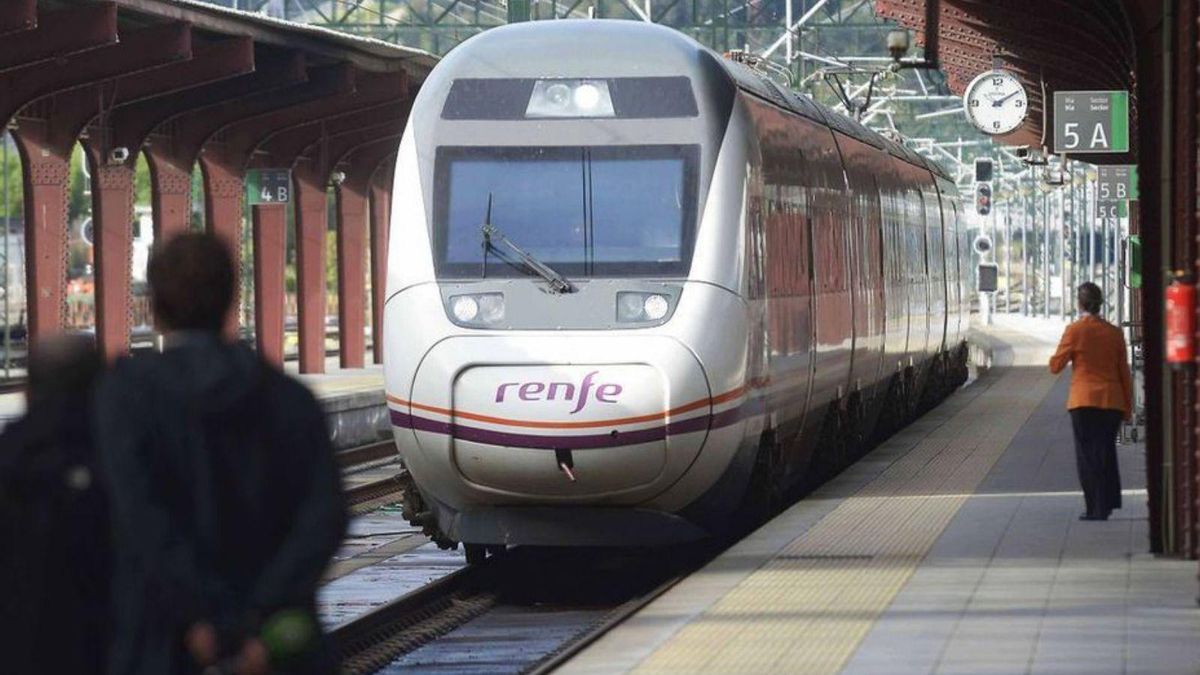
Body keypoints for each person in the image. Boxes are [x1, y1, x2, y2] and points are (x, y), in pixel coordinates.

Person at [95, 232, 348, 675]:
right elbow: (325, 516)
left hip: (164, 644)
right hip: (277, 648)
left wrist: (203, 617)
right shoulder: (290, 399)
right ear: (232, 299)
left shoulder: (125, 399)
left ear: (154, 306)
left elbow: (141, 519)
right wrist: (258, 616)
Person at [0, 335, 108, 675]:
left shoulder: (9, 457)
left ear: (29, 391)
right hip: (107, 645)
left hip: (21, 646)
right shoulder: (124, 460)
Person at [1049, 282, 1133, 521]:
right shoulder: (1115, 333)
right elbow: (1123, 373)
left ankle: (1094, 507)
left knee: (1087, 456)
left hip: (1083, 402)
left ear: (1080, 303)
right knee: (1106, 452)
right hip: (1111, 402)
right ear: (1100, 304)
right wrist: (1127, 407)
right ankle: (1107, 504)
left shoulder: (1074, 330)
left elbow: (1055, 367)